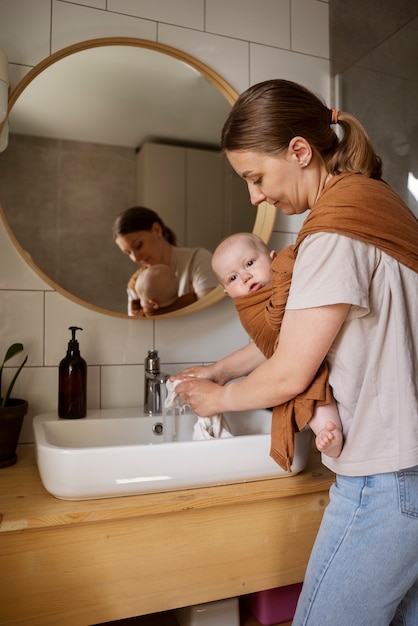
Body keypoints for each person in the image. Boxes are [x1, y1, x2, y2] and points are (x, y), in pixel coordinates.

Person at [172, 79, 418, 625]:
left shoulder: (333, 231)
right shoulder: (375, 203)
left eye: (255, 177)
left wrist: (218, 400)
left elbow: (289, 371)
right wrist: (216, 370)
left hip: (386, 478)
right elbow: (296, 332)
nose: (255, 196)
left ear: (300, 151)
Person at [212, 231, 343, 460]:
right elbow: (273, 340)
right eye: (232, 278)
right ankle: (329, 432)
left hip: (322, 354)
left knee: (305, 382)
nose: (244, 277)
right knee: (307, 393)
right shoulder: (248, 309)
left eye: (250, 263)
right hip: (298, 364)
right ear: (226, 292)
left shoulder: (292, 278)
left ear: (274, 258)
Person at [112, 206, 218, 316]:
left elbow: (208, 317)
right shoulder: (137, 283)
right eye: (128, 253)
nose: (135, 258)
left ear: (157, 230)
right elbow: (137, 329)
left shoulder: (197, 260)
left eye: (138, 246)